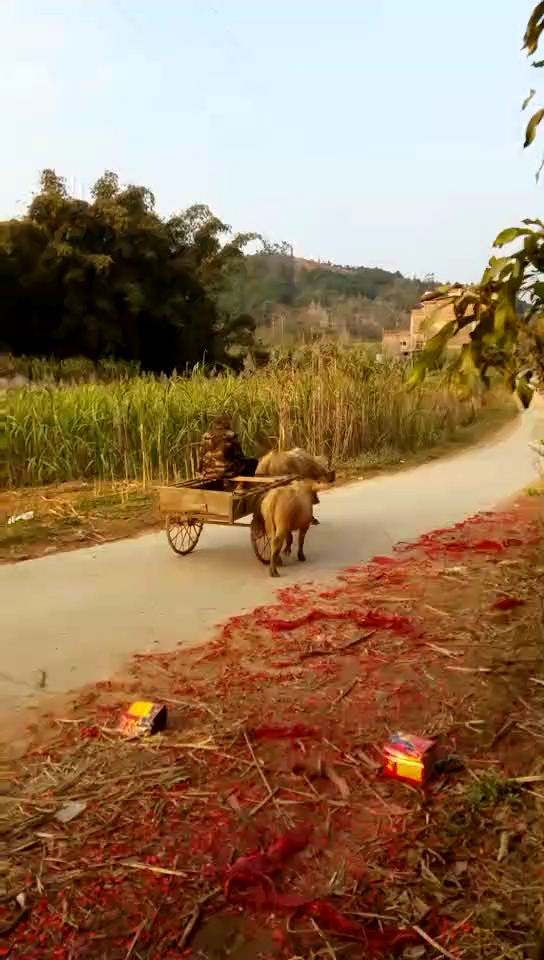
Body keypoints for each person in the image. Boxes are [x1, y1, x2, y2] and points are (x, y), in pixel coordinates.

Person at [197, 414, 257, 488]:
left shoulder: (205, 436)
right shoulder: (230, 435)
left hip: (207, 472)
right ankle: (242, 485)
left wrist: (201, 471)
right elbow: (239, 456)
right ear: (226, 423)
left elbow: (201, 456)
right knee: (253, 461)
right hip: (224, 471)